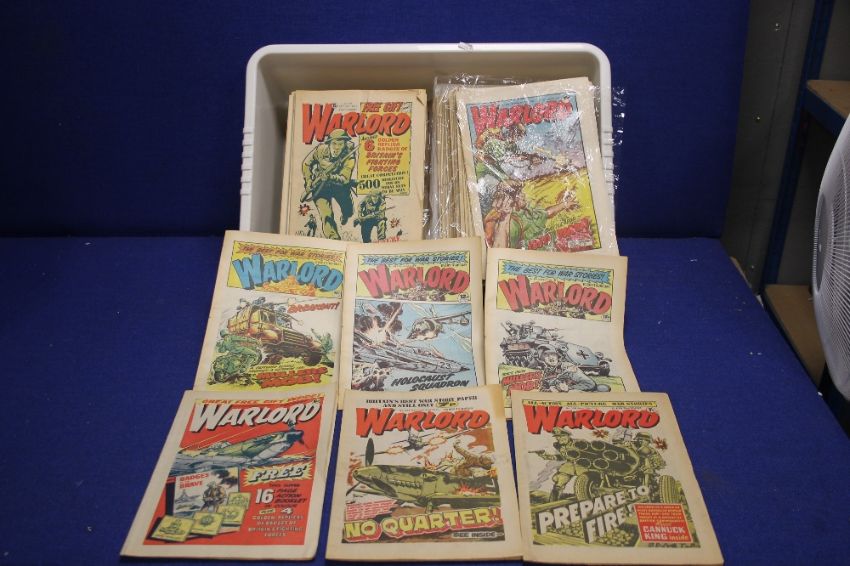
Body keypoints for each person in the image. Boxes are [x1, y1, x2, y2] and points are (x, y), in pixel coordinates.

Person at [301, 129, 356, 239]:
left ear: (345, 144)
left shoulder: (349, 155)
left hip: (339, 187)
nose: (337, 147)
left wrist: (330, 177)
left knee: (349, 210)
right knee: (326, 215)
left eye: (340, 144)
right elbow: (306, 164)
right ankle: (334, 239)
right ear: (329, 143)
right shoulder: (321, 150)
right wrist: (309, 181)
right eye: (334, 143)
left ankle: (346, 215)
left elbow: (345, 178)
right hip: (320, 187)